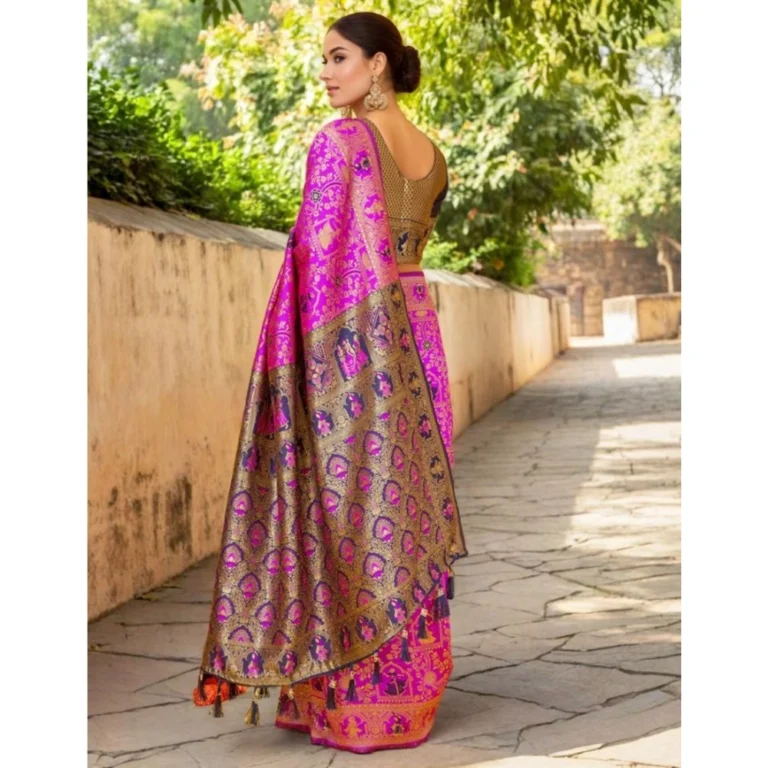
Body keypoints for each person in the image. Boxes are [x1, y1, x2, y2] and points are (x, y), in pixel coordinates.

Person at [193, 11, 467, 754]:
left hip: (349, 353)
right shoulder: (434, 156)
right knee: (402, 507)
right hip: (419, 341)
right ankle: (408, 695)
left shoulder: (339, 143)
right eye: (324, 59)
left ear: (377, 64)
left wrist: (294, 367)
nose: (325, 73)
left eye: (339, 57)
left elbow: (317, 262)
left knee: (347, 515)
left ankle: (350, 701)